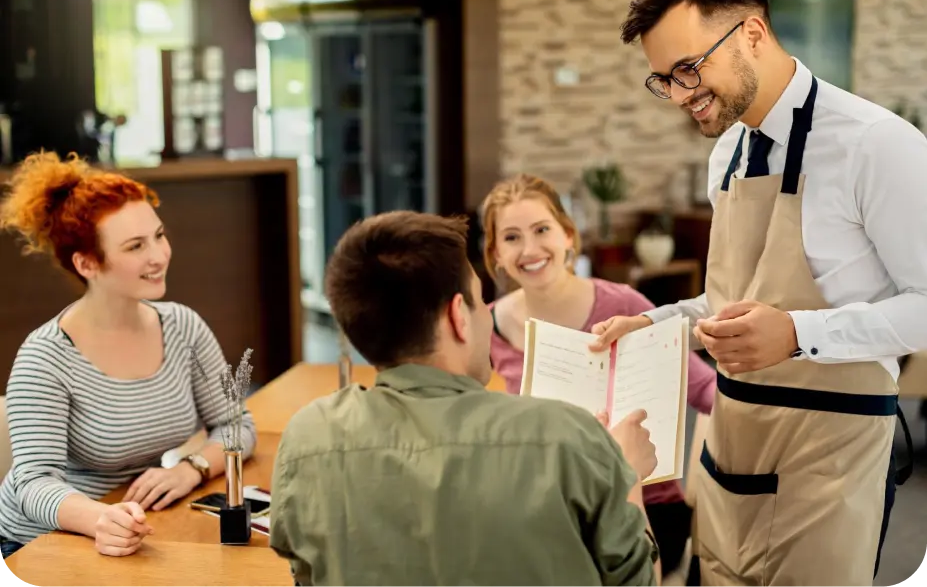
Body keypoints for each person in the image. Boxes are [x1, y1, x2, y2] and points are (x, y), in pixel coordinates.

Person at [589, 0, 926, 587]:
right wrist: (655, 325)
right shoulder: (728, 155)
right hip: (730, 452)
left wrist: (799, 334)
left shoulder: (878, 145)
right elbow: (729, 305)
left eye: (689, 69)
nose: (680, 95)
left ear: (751, 33)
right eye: (664, 79)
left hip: (829, 463)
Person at [270, 211, 661, 587]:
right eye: (478, 300)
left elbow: (306, 573)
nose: (486, 318)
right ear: (458, 315)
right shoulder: (570, 438)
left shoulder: (306, 440)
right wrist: (627, 476)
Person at [0, 152, 256, 560]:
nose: (158, 256)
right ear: (86, 263)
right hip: (39, 542)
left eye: (159, 235)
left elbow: (235, 426)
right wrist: (100, 519)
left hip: (137, 522)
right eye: (136, 246)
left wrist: (190, 469)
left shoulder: (183, 327)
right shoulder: (45, 357)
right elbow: (34, 482)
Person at [481, 173, 716, 578]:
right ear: (496, 254)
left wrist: (707, 474)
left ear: (568, 236)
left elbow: (706, 389)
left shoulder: (622, 305)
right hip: (553, 505)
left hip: (646, 503)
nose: (530, 249)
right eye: (512, 237)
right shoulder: (488, 326)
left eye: (542, 230)